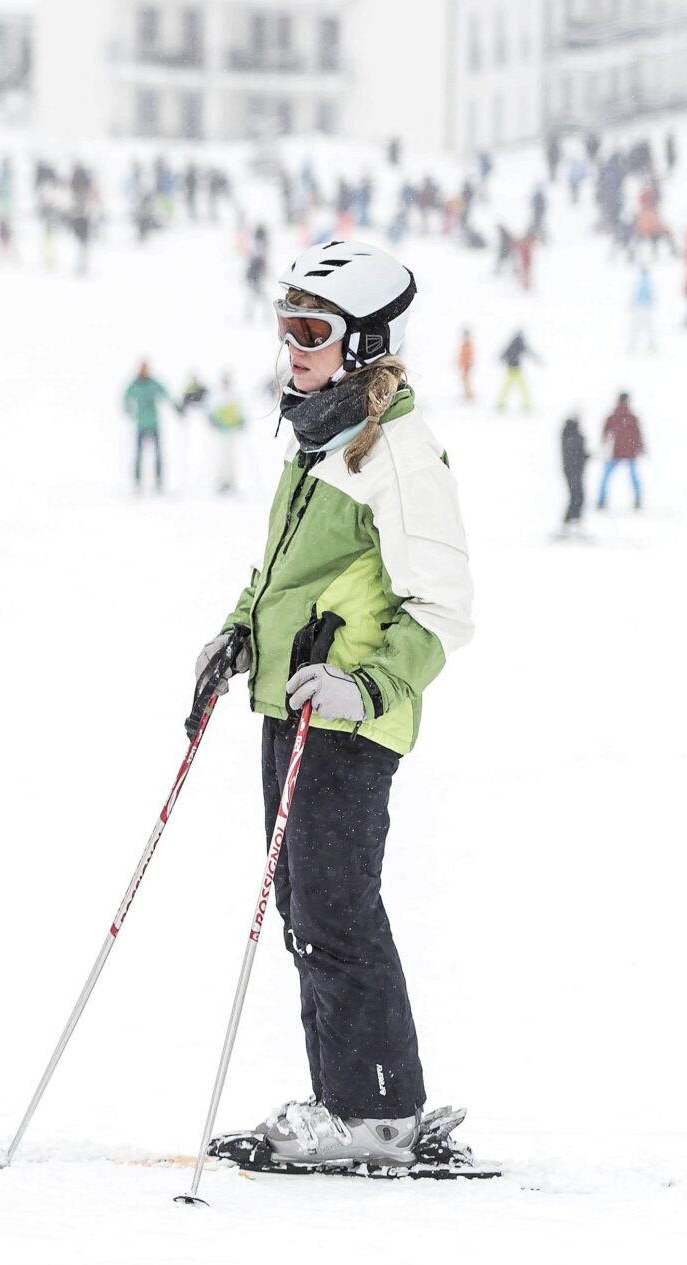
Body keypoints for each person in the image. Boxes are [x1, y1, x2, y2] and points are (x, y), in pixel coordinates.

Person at [195, 239, 474, 1168]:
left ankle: (378, 1111)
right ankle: (344, 1099)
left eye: (312, 330)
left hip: (349, 716)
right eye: (287, 327)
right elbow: (285, 575)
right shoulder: (319, 431)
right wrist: (239, 634)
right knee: (303, 906)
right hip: (293, 702)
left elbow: (442, 610)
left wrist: (365, 683)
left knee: (336, 907)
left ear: (364, 342)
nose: (293, 347)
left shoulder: (397, 450)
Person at [123, 361, 171, 492]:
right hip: (141, 424)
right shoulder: (135, 384)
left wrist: (177, 407)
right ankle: (137, 481)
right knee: (139, 454)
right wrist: (127, 409)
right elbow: (125, 397)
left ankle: (159, 481)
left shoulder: (153, 384)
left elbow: (166, 394)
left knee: (158, 454)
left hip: (153, 423)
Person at [598, 392, 645, 511]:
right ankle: (638, 498)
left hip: (617, 451)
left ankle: (601, 500)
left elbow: (605, 432)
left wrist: (604, 443)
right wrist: (641, 447)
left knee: (606, 476)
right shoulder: (631, 417)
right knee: (633, 477)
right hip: (629, 452)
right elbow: (638, 434)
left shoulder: (614, 416)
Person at [208, 371, 247, 495]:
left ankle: (231, 481)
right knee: (221, 457)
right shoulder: (218, 396)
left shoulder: (234, 396)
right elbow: (212, 413)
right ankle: (221, 481)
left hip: (231, 431)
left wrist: (241, 421)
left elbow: (240, 412)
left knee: (231, 458)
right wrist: (214, 422)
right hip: (221, 432)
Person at [558, 409, 590, 537]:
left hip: (575, 469)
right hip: (572, 469)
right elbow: (574, 452)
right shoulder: (571, 431)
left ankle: (573, 522)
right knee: (576, 496)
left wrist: (586, 456)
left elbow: (577, 452)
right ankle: (570, 522)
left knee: (578, 496)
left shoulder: (572, 432)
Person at [495, 329, 536, 413]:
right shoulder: (520, 344)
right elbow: (530, 352)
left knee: (507, 386)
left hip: (510, 368)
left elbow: (505, 353)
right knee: (522, 387)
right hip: (516, 368)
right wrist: (537, 359)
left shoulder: (513, 343)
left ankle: (501, 402)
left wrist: (501, 358)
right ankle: (526, 404)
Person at [628, 264, 658, 354]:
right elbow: (651, 294)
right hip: (645, 307)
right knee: (649, 327)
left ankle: (632, 345)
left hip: (640, 307)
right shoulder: (647, 282)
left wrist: (633, 304)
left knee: (636, 327)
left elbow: (636, 294)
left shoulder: (640, 282)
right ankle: (651, 345)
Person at [455, 327, 475, 402]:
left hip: (467, 365)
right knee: (464, 379)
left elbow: (469, 355)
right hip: (464, 364)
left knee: (466, 379)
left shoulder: (468, 344)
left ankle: (469, 394)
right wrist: (459, 362)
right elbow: (461, 355)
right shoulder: (464, 344)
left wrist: (469, 363)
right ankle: (467, 393)